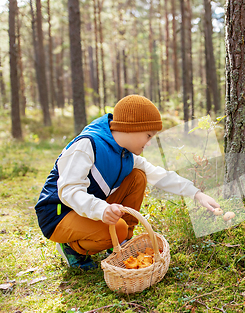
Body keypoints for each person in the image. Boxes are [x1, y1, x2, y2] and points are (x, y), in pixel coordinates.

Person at [35, 95, 219, 270]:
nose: (149, 143)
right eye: (148, 135)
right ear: (131, 127)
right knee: (118, 227)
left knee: (138, 176)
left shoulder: (126, 154)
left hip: (87, 207)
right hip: (58, 213)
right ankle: (72, 248)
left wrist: (196, 193)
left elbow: (159, 175)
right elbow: (69, 190)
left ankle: (121, 241)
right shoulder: (87, 144)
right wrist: (102, 210)